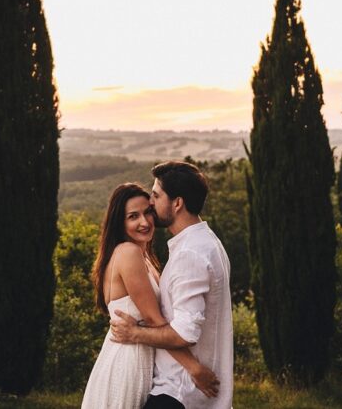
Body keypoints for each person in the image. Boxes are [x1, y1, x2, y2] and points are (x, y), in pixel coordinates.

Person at [81, 183, 219, 409]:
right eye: (133, 216)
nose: (144, 222)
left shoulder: (143, 256)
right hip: (128, 361)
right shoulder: (129, 252)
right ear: (120, 222)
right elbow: (155, 320)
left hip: (141, 357)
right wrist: (195, 369)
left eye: (148, 212)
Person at [110, 161, 233, 409]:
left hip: (178, 392)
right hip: (186, 391)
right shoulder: (208, 242)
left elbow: (185, 333)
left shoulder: (191, 254)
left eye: (156, 195)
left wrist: (135, 333)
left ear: (177, 203)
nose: (151, 203)